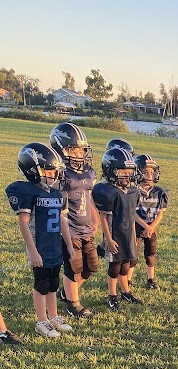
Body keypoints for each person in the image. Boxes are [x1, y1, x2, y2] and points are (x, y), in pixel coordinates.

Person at [5, 143, 75, 339]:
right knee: (42, 284)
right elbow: (24, 224)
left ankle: (53, 316)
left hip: (54, 245)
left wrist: (69, 244)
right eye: (50, 170)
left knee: (53, 283)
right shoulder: (27, 192)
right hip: (40, 245)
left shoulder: (55, 192)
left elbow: (62, 220)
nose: (54, 174)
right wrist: (33, 251)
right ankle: (41, 320)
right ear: (33, 170)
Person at [49, 123, 98, 319]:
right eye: (75, 148)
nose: (80, 153)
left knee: (90, 267)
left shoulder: (88, 172)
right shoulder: (60, 174)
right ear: (62, 150)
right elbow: (59, 207)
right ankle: (73, 304)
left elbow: (89, 197)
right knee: (73, 266)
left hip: (86, 227)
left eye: (81, 149)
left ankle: (67, 292)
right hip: (69, 228)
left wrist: (95, 220)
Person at [92, 146, 142, 311]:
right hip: (114, 234)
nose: (127, 175)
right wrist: (109, 239)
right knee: (115, 267)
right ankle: (112, 295)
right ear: (110, 171)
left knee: (126, 264)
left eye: (129, 171)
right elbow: (104, 217)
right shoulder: (106, 191)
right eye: (122, 171)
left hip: (128, 233)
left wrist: (134, 235)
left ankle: (125, 291)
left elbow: (132, 215)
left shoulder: (133, 191)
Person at [131, 154, 168, 290]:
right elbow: (132, 213)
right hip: (137, 226)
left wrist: (151, 227)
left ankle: (151, 279)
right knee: (133, 256)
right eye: (146, 172)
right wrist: (145, 226)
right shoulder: (133, 191)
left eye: (152, 172)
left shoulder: (159, 192)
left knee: (150, 254)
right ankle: (128, 280)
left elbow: (160, 213)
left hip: (152, 227)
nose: (149, 175)